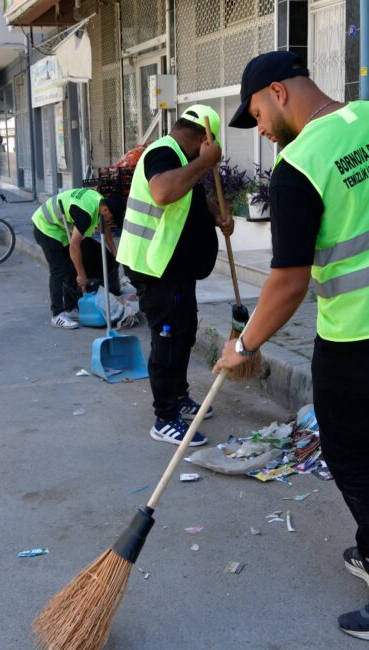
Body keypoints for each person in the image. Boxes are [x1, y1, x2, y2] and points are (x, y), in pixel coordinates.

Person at [214, 51, 369, 641]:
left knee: (349, 454)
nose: (260, 131)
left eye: (256, 115)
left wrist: (244, 344)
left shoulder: (300, 166)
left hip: (361, 338)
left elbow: (288, 282)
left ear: (278, 92)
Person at [116, 104, 234, 448]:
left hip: (175, 268)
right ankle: (165, 418)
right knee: (168, 340)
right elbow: (163, 192)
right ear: (204, 138)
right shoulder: (163, 153)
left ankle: (179, 396)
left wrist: (218, 216)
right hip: (154, 268)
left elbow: (192, 195)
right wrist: (204, 162)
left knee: (184, 332)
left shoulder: (183, 160)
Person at [31, 188, 123, 328]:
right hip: (45, 226)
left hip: (59, 227)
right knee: (58, 269)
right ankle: (57, 314)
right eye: (111, 219)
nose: (111, 222)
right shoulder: (85, 215)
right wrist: (81, 275)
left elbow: (105, 229)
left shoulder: (99, 202)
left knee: (70, 266)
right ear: (105, 210)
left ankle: (70, 308)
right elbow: (74, 247)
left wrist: (115, 252)